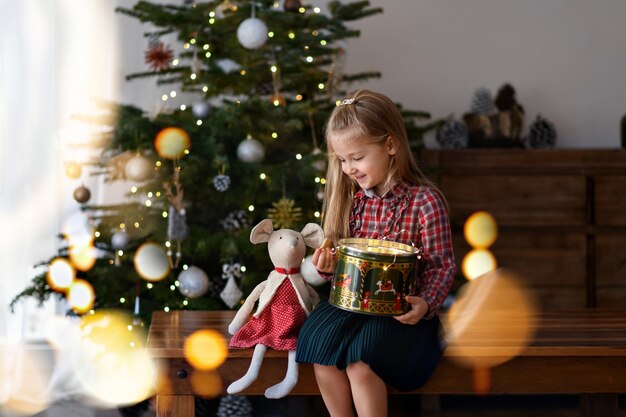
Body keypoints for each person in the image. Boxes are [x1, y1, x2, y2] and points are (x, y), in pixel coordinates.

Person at [296, 89, 456, 417]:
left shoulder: (425, 202)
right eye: (341, 160)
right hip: (354, 309)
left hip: (401, 315)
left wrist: (425, 302)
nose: (349, 169)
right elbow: (345, 266)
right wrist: (328, 267)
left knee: (360, 364)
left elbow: (442, 265)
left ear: (390, 145)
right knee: (318, 349)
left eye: (356, 157)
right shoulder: (353, 202)